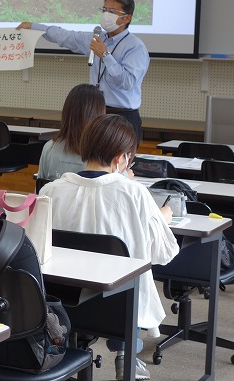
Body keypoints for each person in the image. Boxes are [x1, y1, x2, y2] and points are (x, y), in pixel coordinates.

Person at [39, 114, 179, 381]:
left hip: (62, 304)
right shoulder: (133, 192)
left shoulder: (51, 191)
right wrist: (162, 218)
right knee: (133, 277)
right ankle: (126, 352)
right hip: (119, 309)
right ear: (120, 158)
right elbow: (164, 253)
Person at [18, 0, 149, 141]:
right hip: (95, 112)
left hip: (122, 117)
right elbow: (65, 36)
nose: (106, 15)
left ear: (127, 18)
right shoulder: (97, 38)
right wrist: (34, 27)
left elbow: (127, 82)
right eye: (104, 10)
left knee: (117, 163)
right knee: (91, 160)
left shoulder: (135, 47)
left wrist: (106, 55)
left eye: (112, 11)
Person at [38, 83, 106, 181]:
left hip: (55, 196)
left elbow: (39, 190)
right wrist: (126, 176)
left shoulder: (49, 148)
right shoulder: (104, 153)